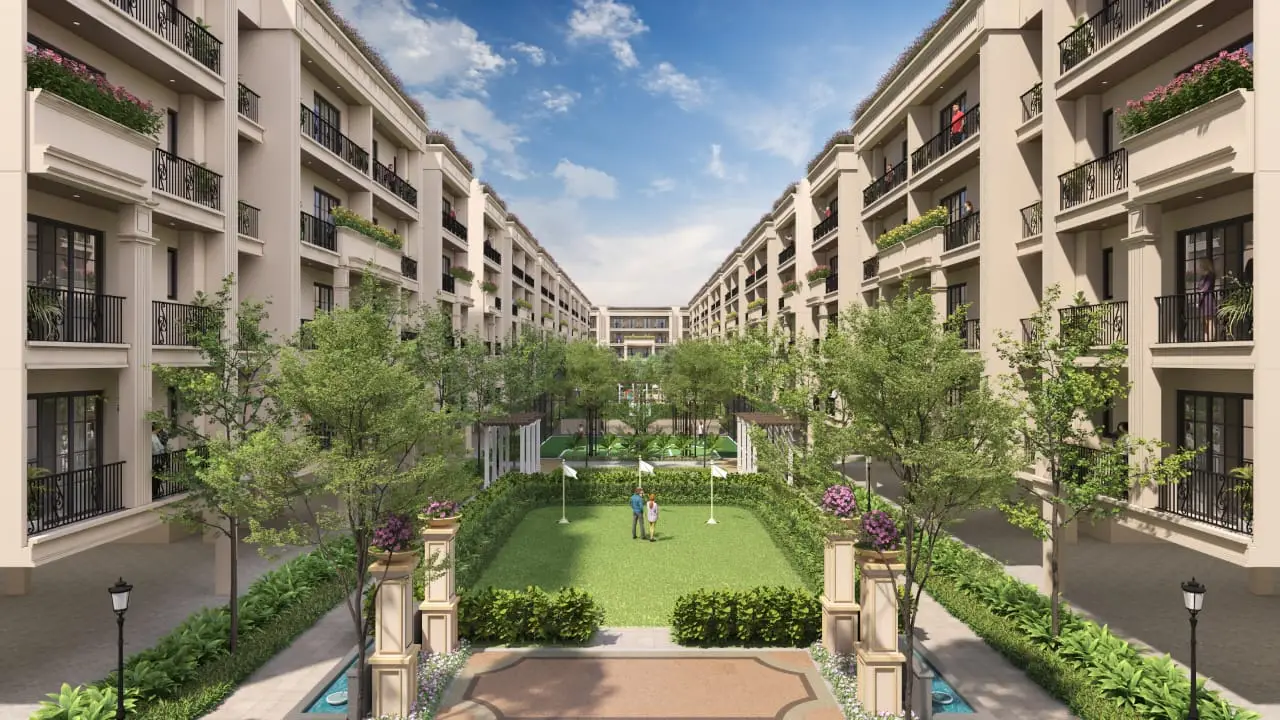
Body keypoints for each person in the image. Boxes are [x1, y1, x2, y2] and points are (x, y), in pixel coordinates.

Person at [1196, 258, 1217, 341]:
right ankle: (1205, 340)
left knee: (1210, 320)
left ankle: (1211, 339)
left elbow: (1205, 288)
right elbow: (1199, 288)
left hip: (1208, 299)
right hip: (1202, 300)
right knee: (1204, 322)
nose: (1199, 266)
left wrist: (1200, 291)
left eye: (1200, 264)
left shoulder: (1210, 275)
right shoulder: (1202, 277)